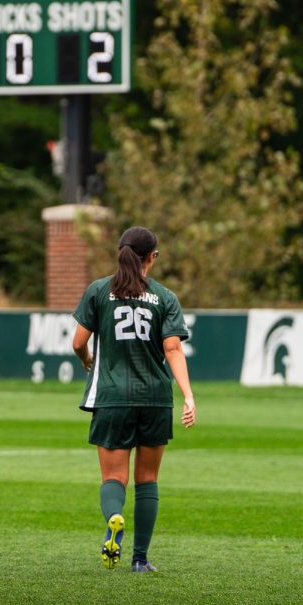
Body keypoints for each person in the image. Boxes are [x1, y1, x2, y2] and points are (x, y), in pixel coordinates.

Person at [71, 226, 196, 573]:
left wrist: (86, 361)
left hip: (112, 398)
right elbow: (173, 348)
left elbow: (79, 342)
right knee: (148, 480)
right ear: (152, 257)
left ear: (120, 253)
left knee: (114, 477)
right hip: (155, 399)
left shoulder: (98, 290)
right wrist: (188, 396)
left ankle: (114, 517)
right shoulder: (165, 297)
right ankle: (140, 559)